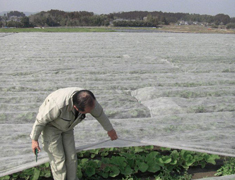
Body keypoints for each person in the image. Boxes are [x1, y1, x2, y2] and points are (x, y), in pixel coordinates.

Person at [30, 87, 118, 180]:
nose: (89, 113)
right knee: (59, 159)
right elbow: (40, 121)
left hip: (68, 127)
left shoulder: (89, 100)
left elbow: (100, 114)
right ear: (76, 108)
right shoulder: (57, 104)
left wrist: (110, 130)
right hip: (51, 128)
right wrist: (34, 139)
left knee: (71, 157)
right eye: (86, 112)